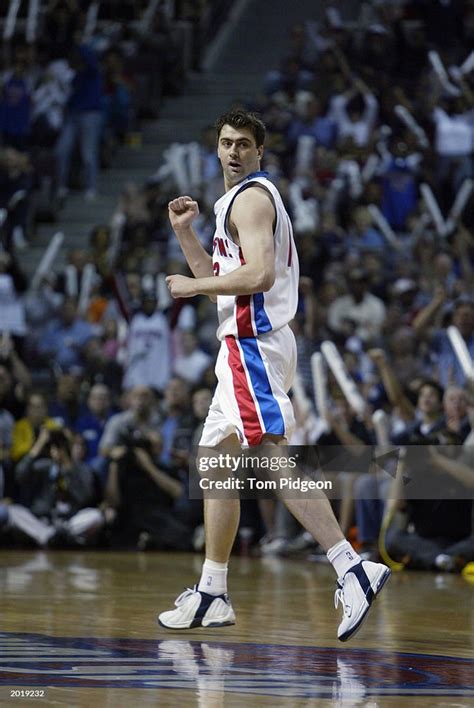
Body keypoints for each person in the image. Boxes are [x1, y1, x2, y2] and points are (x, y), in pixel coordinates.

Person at [159, 109, 390, 640]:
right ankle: (212, 592)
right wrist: (185, 234)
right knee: (215, 459)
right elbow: (219, 280)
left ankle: (352, 568)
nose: (234, 151)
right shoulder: (230, 206)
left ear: (260, 153)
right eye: (225, 142)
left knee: (271, 457)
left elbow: (258, 276)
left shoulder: (253, 198)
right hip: (243, 345)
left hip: (254, 345)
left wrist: (191, 290)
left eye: (244, 143)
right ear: (215, 149)